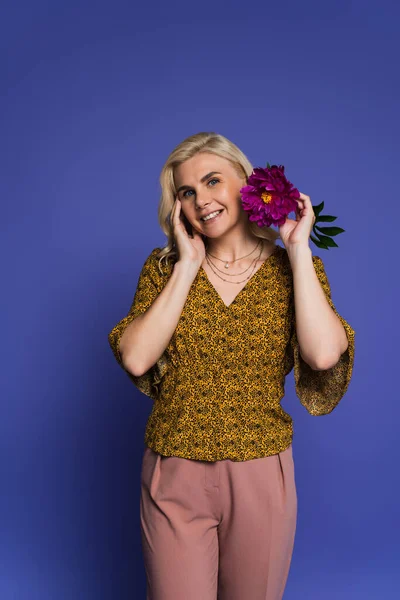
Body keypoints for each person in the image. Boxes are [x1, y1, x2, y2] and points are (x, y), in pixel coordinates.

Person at [108, 132, 355, 600]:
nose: (201, 200)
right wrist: (186, 266)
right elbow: (137, 357)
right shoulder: (163, 271)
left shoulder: (296, 272)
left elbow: (323, 355)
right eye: (187, 192)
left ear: (247, 183)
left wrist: (299, 250)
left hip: (261, 471)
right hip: (174, 468)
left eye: (212, 181)